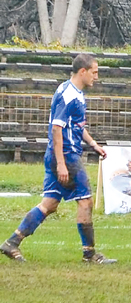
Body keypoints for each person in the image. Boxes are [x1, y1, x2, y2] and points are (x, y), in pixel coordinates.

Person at [1, 53, 116, 264]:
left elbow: (76, 126)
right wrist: (62, 163)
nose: (96, 77)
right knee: (85, 201)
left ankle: (12, 242)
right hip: (66, 156)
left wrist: (93, 144)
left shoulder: (73, 92)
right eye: (94, 72)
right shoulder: (69, 96)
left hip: (59, 155)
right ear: (83, 71)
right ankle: (89, 254)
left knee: (50, 204)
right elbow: (57, 128)